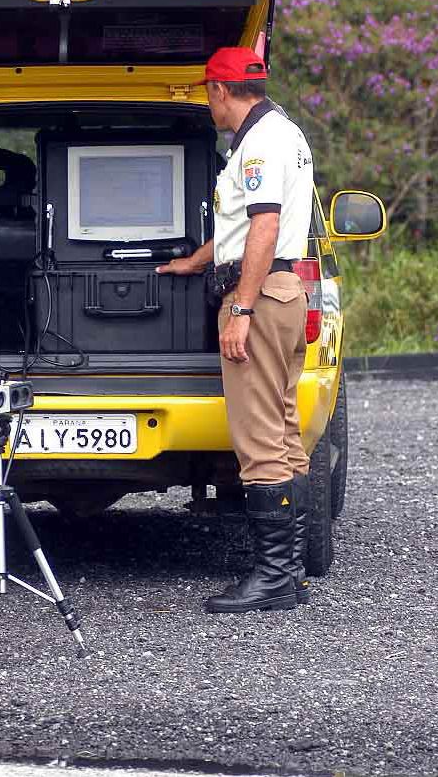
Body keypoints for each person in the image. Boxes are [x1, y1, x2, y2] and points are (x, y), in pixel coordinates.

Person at [156, 47, 314, 613]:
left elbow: (264, 227)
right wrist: (196, 262)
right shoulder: (282, 131)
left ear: (221, 90)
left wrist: (241, 310)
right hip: (283, 293)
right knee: (285, 433)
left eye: (208, 93)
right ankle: (289, 572)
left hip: (261, 300)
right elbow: (243, 231)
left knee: (259, 441)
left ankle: (272, 578)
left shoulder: (258, 145)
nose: (208, 104)